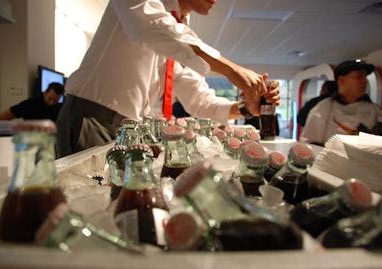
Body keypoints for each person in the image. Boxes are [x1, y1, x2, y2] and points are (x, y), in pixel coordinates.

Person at [56, 0, 280, 158]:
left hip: (128, 129)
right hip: (92, 118)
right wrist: (231, 69)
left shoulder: (178, 33)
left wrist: (246, 109)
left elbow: (199, 100)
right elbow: (146, 27)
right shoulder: (164, 26)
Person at [299, 59, 382, 146]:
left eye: (365, 77)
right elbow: (309, 144)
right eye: (359, 76)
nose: (365, 81)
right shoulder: (324, 108)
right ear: (341, 80)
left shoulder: (373, 110)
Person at [0, 82, 65, 122]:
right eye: (50, 98)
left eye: (56, 100)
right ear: (45, 93)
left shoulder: (59, 107)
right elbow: (3, 116)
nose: (52, 102)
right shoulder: (30, 104)